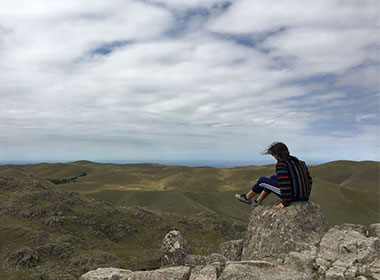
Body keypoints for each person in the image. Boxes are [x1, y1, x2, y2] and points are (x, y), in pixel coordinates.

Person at [235, 142, 312, 210]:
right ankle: (257, 201)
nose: (273, 156)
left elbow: (285, 184)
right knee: (273, 178)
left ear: (278, 155)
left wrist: (286, 202)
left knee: (262, 181)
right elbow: (309, 181)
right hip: (303, 196)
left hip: (293, 197)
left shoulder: (281, 165)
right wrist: (306, 196)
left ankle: (247, 198)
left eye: (273, 154)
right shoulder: (301, 163)